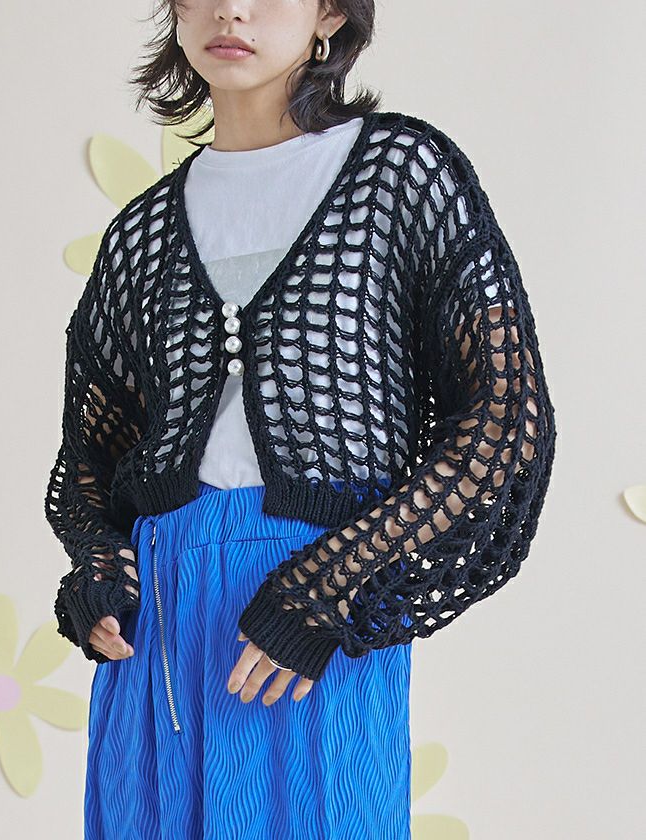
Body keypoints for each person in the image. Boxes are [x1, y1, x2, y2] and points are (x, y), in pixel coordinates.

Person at [43, 2, 557, 838]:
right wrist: (101, 568)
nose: (232, 9)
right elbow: (91, 460)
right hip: (156, 633)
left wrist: (330, 590)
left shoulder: (401, 176)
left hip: (318, 611)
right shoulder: (138, 234)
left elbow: (505, 424)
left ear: (330, 14)